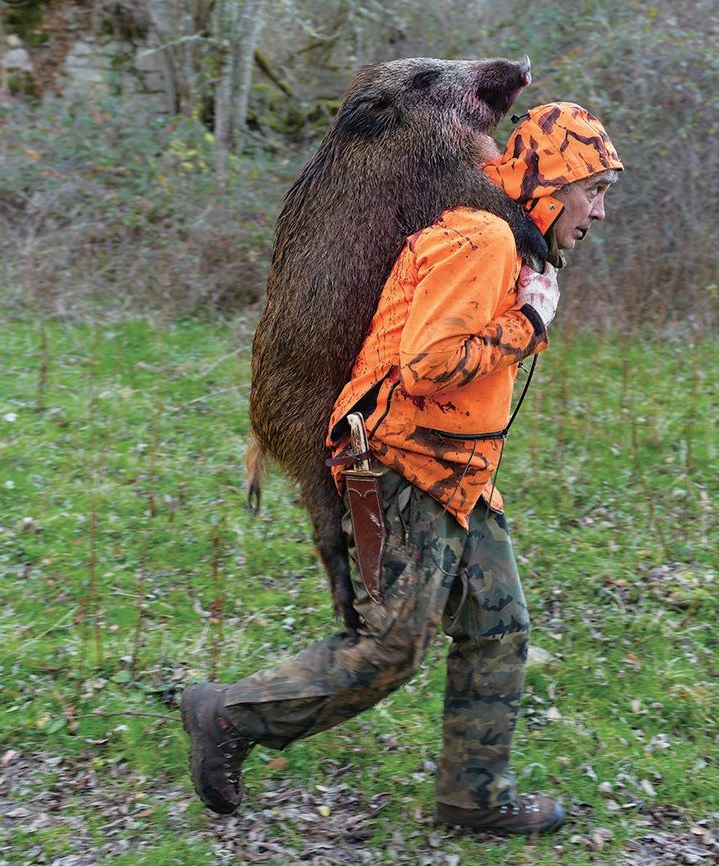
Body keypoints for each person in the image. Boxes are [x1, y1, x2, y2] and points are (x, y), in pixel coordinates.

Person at [182, 102, 621, 837]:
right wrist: (529, 324)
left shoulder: (511, 243)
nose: (599, 212)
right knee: (389, 647)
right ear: (552, 182)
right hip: (399, 466)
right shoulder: (481, 237)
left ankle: (472, 797)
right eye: (594, 190)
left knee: (497, 626)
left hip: (458, 473)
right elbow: (427, 365)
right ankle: (226, 718)